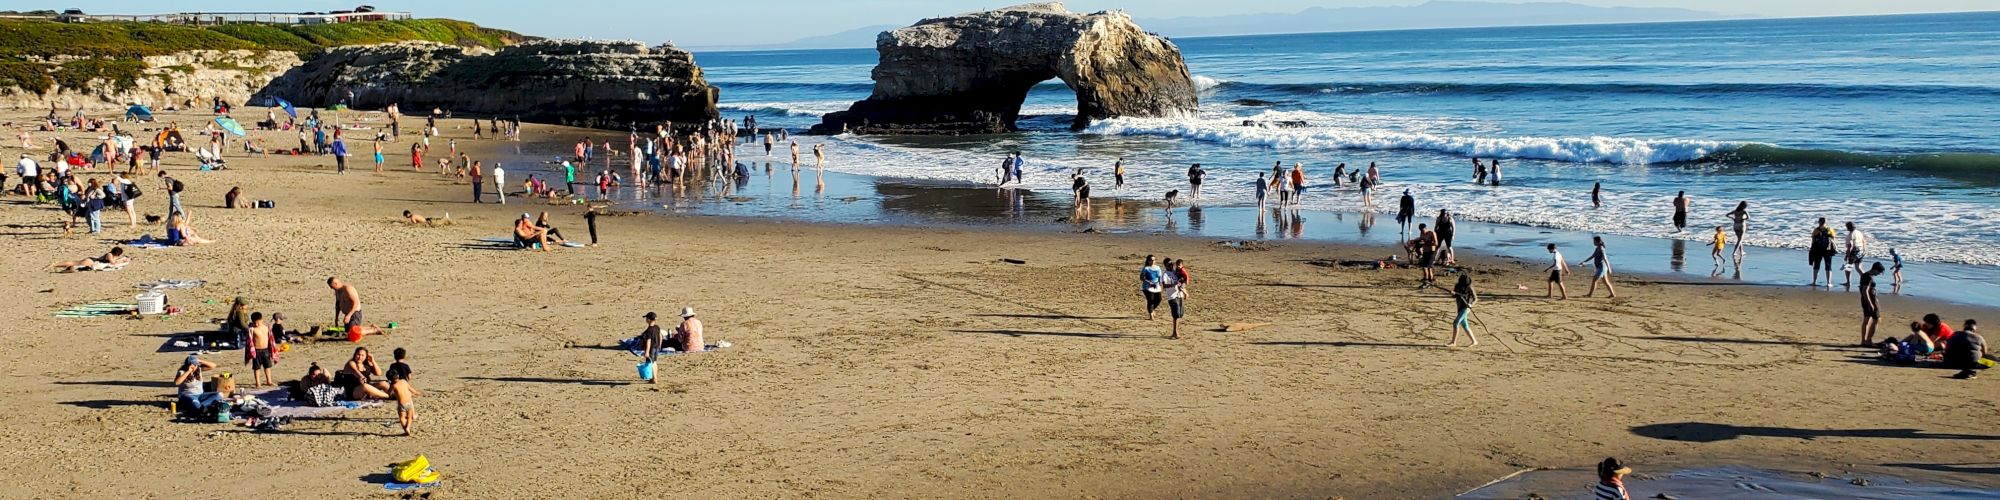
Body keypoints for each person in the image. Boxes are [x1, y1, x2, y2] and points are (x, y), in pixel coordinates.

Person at [386, 347, 419, 436]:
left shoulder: (392, 366)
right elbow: (409, 376)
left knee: (401, 416)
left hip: (400, 400)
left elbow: (388, 393)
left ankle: (405, 428)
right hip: (405, 386)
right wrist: (417, 392)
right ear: (404, 356)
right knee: (410, 403)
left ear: (394, 356)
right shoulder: (406, 366)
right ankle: (411, 418)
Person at [244, 312, 277, 388]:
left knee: (267, 366)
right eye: (255, 323)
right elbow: (249, 341)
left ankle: (269, 381)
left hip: (266, 350)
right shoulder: (252, 329)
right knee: (257, 368)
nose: (256, 324)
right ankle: (258, 383)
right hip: (256, 351)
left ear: (261, 320)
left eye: (258, 322)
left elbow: (270, 339)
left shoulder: (266, 328)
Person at [1447, 274, 1478, 347]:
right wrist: (1452, 293)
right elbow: (1454, 295)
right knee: (1465, 325)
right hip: (1460, 307)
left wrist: (1470, 304)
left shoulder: (1469, 287)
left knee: (1456, 323)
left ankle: (1453, 342)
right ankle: (1474, 341)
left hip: (1466, 308)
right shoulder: (1457, 286)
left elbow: (1475, 298)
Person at [1859, 262, 1884, 347]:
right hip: (1870, 300)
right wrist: (1870, 303)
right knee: (1875, 320)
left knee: (1866, 320)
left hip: (1865, 300)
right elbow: (1864, 290)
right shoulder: (1869, 277)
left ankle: (1864, 340)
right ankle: (1868, 340)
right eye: (1879, 272)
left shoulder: (1865, 275)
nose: (1879, 274)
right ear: (1875, 269)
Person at [48, 246, 129, 272]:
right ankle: (55, 264)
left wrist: (121, 260)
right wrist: (122, 260)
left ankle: (56, 265)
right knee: (74, 263)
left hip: (92, 260)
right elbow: (113, 263)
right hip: (91, 261)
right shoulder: (109, 255)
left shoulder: (112, 255)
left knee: (75, 263)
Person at [637, 312, 665, 383]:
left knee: (651, 363)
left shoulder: (649, 330)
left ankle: (654, 378)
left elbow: (648, 341)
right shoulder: (657, 327)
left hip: (651, 348)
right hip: (656, 347)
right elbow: (660, 336)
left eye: (646, 318)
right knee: (654, 362)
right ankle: (654, 377)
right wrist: (660, 345)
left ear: (649, 319)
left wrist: (646, 352)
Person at [1809, 218, 1836, 287]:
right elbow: (1833, 238)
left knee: (1816, 265)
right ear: (1825, 222)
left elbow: (1813, 239)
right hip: (1828, 250)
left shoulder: (1816, 230)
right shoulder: (1830, 229)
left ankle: (1814, 282)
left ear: (1819, 222)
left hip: (1818, 249)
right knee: (1828, 266)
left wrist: (1812, 249)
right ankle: (1828, 283)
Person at [1162, 258, 1185, 339]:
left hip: (1179, 295)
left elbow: (1181, 280)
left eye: (1172, 264)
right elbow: (1164, 285)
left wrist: (1184, 291)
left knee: (1179, 314)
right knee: (1175, 314)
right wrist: (1173, 284)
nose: (1171, 266)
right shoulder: (1165, 274)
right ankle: (1175, 332)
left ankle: (1175, 331)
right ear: (1165, 266)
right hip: (1172, 296)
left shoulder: (1175, 272)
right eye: (1169, 265)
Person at [1842, 221, 1868, 288]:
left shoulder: (1850, 235)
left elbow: (1850, 246)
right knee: (1858, 267)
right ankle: (1865, 281)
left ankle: (1848, 282)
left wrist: (1847, 255)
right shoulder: (1858, 232)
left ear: (1848, 227)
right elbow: (1864, 241)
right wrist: (1864, 249)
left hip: (1854, 251)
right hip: (1861, 250)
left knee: (1848, 267)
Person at [1140, 255, 1165, 320]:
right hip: (1147, 287)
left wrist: (1160, 284)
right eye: (1151, 260)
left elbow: (1159, 277)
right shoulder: (1146, 268)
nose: (1153, 261)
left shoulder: (1158, 268)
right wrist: (1148, 282)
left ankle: (1152, 309)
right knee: (1150, 300)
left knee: (1158, 299)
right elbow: (1142, 277)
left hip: (1156, 286)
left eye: (1154, 260)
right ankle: (1151, 315)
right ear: (1148, 261)